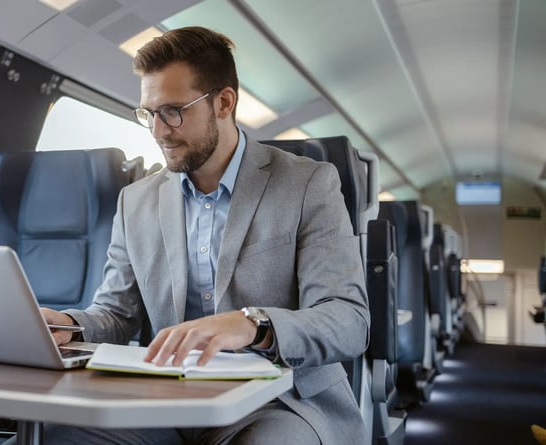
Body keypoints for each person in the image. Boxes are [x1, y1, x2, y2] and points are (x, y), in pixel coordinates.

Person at [40, 26, 370, 445]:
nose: (158, 131)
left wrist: (255, 324)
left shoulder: (308, 184)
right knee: (54, 437)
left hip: (282, 402)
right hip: (168, 402)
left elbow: (348, 321)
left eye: (173, 111)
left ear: (224, 103)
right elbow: (117, 316)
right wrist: (71, 326)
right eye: (148, 113)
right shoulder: (135, 202)